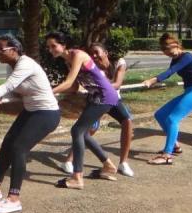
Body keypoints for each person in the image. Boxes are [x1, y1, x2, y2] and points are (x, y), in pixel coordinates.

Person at [0, 36, 61, 213]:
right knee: (8, 142)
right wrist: (1, 100)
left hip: (47, 113)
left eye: (0, 49)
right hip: (31, 111)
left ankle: (13, 199)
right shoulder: (11, 68)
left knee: (19, 148)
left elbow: (9, 85)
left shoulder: (26, 63)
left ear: (14, 49)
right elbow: (17, 93)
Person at [45, 32, 119, 190]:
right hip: (96, 97)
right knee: (83, 133)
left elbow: (69, 81)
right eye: (48, 47)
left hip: (104, 96)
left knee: (77, 130)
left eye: (53, 46)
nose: (50, 49)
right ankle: (108, 165)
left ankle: (77, 177)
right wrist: (58, 92)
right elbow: (73, 86)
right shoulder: (68, 61)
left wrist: (49, 91)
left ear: (63, 45)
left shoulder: (78, 55)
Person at [57, 42, 135, 178]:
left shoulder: (118, 63)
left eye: (96, 52)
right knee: (86, 130)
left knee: (127, 120)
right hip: (96, 98)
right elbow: (75, 84)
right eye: (91, 53)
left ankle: (123, 162)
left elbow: (117, 84)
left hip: (111, 98)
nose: (94, 56)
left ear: (106, 53)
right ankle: (69, 161)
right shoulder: (88, 63)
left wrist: (102, 85)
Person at [142, 33, 192, 164]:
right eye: (164, 50)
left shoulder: (187, 56)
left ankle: (167, 155)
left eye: (168, 49)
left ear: (176, 45)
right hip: (189, 91)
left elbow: (171, 72)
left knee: (172, 119)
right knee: (160, 115)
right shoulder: (175, 59)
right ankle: (175, 146)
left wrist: (153, 80)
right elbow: (171, 71)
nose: (167, 52)